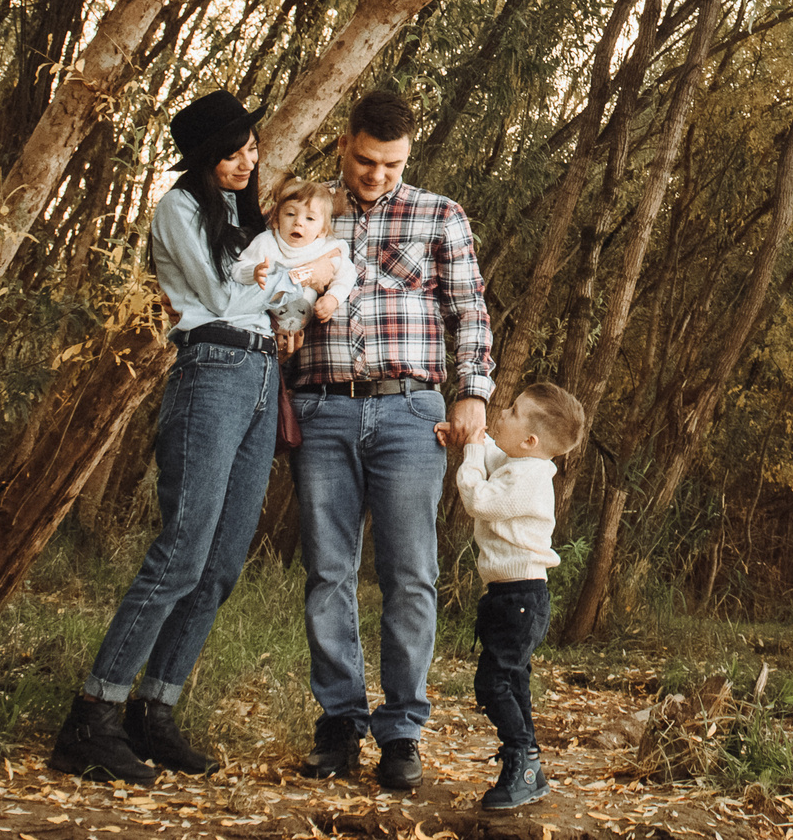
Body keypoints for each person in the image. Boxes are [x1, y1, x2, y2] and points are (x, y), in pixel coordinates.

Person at [50, 89, 280, 784]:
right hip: (210, 366)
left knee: (223, 561)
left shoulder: (250, 214)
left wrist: (283, 285)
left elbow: (285, 292)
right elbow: (217, 294)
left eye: (250, 146)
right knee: (182, 549)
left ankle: (155, 710)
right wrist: (284, 283)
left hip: (265, 376)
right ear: (205, 157)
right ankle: (92, 715)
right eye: (234, 151)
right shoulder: (177, 208)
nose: (249, 159)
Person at [289, 88, 496, 791]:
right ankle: (340, 722)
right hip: (321, 408)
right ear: (345, 141)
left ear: (410, 153)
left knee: (410, 574)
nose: (377, 174)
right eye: (367, 160)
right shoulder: (308, 211)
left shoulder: (440, 214)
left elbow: (469, 310)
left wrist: (472, 391)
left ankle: (402, 729)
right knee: (328, 572)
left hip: (411, 412)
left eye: (393, 163)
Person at [444, 382, 586, 811]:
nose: (501, 413)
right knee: (514, 682)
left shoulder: (528, 480)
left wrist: (471, 452)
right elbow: (495, 457)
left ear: (530, 440)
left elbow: (478, 498)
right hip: (514, 596)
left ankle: (520, 760)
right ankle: (530, 768)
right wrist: (472, 438)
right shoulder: (523, 465)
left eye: (511, 411)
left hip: (519, 599)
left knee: (493, 683)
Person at [243, 178, 357, 330]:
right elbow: (239, 269)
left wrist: (333, 298)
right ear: (276, 220)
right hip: (262, 324)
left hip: (302, 325)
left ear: (322, 230)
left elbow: (347, 274)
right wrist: (253, 272)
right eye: (290, 214)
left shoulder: (326, 250)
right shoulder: (266, 243)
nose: (299, 222)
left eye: (310, 218)